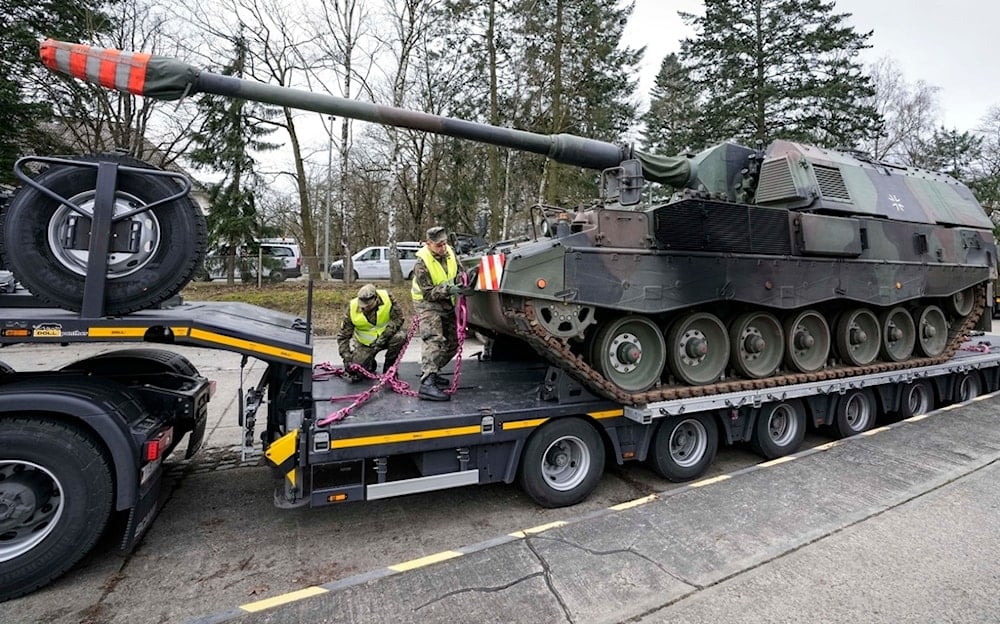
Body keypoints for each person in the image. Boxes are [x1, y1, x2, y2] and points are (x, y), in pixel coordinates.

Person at [411, 225, 469, 401]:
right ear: (429, 244)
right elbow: (428, 292)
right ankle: (427, 383)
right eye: (438, 245)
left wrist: (464, 282)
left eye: (444, 243)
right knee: (433, 338)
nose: (443, 248)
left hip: (446, 301)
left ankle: (433, 371)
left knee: (454, 340)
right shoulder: (421, 263)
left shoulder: (450, 252)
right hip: (427, 303)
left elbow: (459, 272)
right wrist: (449, 289)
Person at [337, 283, 406, 380]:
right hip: (365, 344)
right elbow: (343, 336)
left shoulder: (387, 298)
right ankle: (369, 362)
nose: (364, 308)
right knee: (356, 371)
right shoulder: (352, 307)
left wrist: (384, 337)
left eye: (368, 306)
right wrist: (347, 357)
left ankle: (389, 369)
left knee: (400, 337)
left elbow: (398, 319)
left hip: (387, 337)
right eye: (362, 306)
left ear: (376, 299)